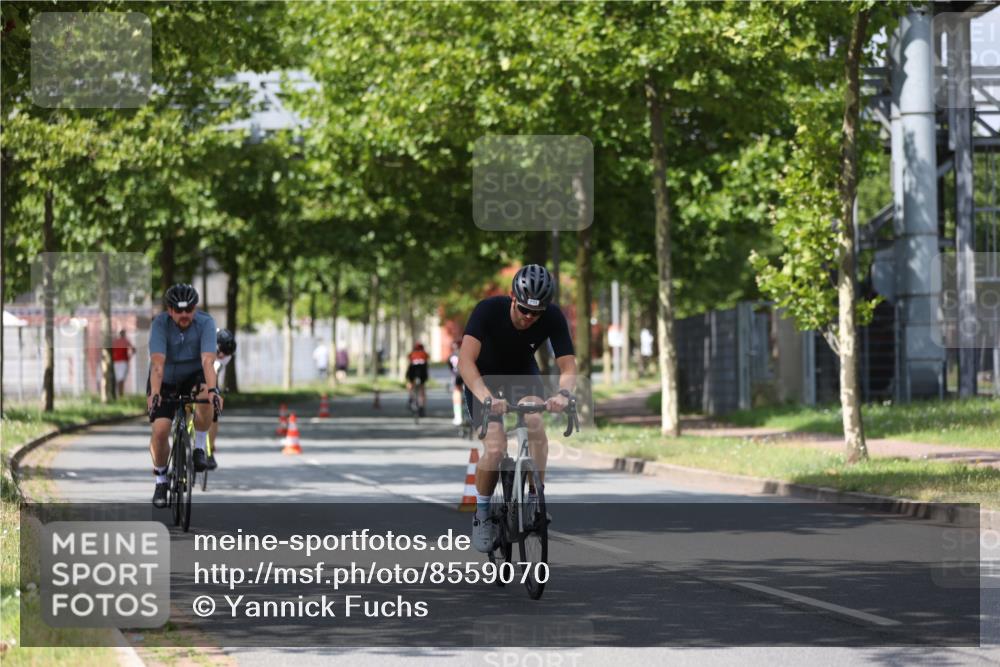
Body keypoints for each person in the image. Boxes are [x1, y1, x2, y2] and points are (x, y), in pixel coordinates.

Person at [458, 264, 576, 553]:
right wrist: (485, 396)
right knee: (496, 448)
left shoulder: (552, 317)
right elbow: (465, 361)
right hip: (483, 378)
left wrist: (563, 394)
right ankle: (483, 515)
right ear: (513, 297)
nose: (528, 317)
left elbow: (568, 365)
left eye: (536, 313)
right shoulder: (488, 310)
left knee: (535, 420)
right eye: (524, 309)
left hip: (522, 376)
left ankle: (536, 498)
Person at [147, 284, 223, 508]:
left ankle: (200, 447)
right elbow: (158, 364)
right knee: (160, 431)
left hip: (194, 374)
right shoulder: (160, 324)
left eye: (188, 310)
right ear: (170, 310)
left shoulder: (206, 322)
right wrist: (156, 394)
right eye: (178, 311)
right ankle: (161, 480)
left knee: (206, 396)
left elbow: (208, 361)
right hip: (166, 378)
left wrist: (213, 391)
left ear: (194, 308)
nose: (184, 315)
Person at [206, 327, 236, 471]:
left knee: (214, 412)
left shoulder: (226, 355)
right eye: (220, 353)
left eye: (225, 355)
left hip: (211, 371)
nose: (222, 356)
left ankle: (210, 450)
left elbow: (215, 372)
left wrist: (215, 392)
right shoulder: (205, 338)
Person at [405, 342, 429, 417]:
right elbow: (427, 361)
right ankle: (421, 407)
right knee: (422, 388)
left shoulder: (411, 354)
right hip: (422, 372)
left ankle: (410, 397)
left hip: (413, 371)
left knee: (410, 382)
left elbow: (409, 360)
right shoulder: (425, 354)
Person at [111, 329, 135, 397]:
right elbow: (134, 350)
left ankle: (118, 394)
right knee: (121, 379)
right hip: (123, 362)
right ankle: (120, 394)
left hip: (116, 362)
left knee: (118, 379)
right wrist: (129, 357)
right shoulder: (125, 341)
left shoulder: (115, 341)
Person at [448, 341, 464, 425]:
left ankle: (458, 417)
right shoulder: (467, 353)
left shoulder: (451, 356)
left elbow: (451, 369)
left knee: (456, 392)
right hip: (468, 375)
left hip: (457, 376)